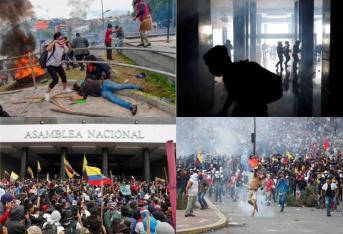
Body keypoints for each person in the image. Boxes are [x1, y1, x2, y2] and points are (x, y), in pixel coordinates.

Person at [203, 45, 282, 117]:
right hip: (258, 105)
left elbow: (234, 92)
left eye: (210, 65)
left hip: (254, 108)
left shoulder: (232, 75)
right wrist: (224, 109)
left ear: (219, 63)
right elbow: (233, 92)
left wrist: (224, 109)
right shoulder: (233, 71)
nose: (210, 70)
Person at [72, 79, 141, 115]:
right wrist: (76, 100)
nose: (78, 81)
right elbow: (84, 99)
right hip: (103, 91)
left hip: (105, 83)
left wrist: (76, 99)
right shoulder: (82, 89)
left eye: (77, 81)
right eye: (77, 82)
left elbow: (83, 99)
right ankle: (131, 106)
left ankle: (137, 87)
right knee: (114, 99)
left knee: (119, 86)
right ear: (78, 86)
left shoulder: (86, 81)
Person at [45, 32, 72, 102]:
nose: (62, 39)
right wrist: (55, 41)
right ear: (56, 38)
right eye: (60, 38)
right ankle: (47, 93)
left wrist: (68, 43)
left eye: (62, 38)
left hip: (58, 64)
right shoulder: (53, 45)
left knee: (63, 76)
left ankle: (64, 89)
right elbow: (47, 49)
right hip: (50, 65)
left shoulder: (63, 45)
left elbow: (68, 51)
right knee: (55, 79)